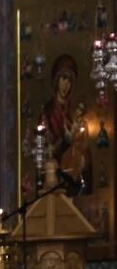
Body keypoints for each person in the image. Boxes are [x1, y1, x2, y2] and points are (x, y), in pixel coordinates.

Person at [41, 54, 92, 195]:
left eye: (70, 81)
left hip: (72, 158)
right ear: (56, 80)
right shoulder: (48, 110)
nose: (66, 85)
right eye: (63, 79)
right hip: (56, 161)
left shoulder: (74, 108)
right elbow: (45, 141)